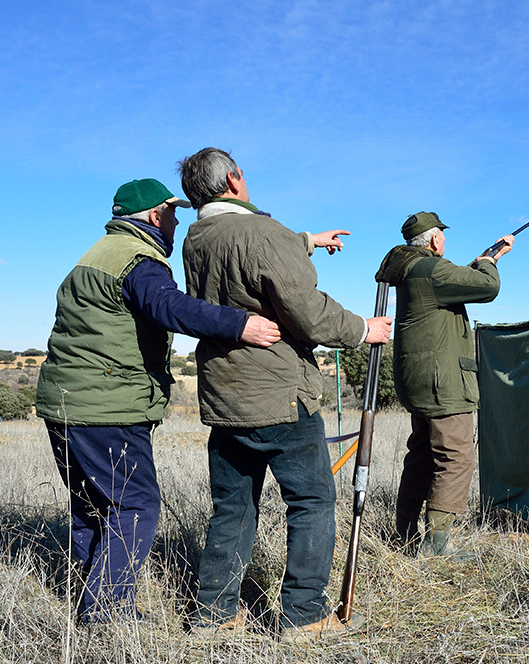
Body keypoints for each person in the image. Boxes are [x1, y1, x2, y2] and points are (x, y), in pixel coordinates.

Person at [35, 178, 281, 624]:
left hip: (64, 404)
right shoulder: (139, 261)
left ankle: (87, 598)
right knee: (135, 506)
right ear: (154, 215)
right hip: (106, 408)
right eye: (173, 213)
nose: (175, 221)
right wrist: (240, 324)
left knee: (93, 508)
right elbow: (174, 308)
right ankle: (106, 617)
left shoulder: (94, 257)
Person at [177, 148, 392, 641]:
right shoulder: (262, 233)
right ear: (234, 179)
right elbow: (308, 311)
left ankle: (212, 614)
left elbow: (246, 258)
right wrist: (363, 329)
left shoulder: (196, 239)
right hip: (278, 393)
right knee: (313, 501)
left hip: (225, 398)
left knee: (232, 506)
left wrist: (306, 241)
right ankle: (303, 616)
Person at [375, 212, 513, 561]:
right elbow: (487, 287)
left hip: (419, 381)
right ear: (435, 240)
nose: (445, 243)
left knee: (422, 456)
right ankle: (438, 545)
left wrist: (486, 259)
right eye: (443, 238)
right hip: (443, 383)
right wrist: (489, 265)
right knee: (456, 457)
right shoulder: (432, 269)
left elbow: (452, 283)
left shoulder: (412, 269)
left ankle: (404, 533)